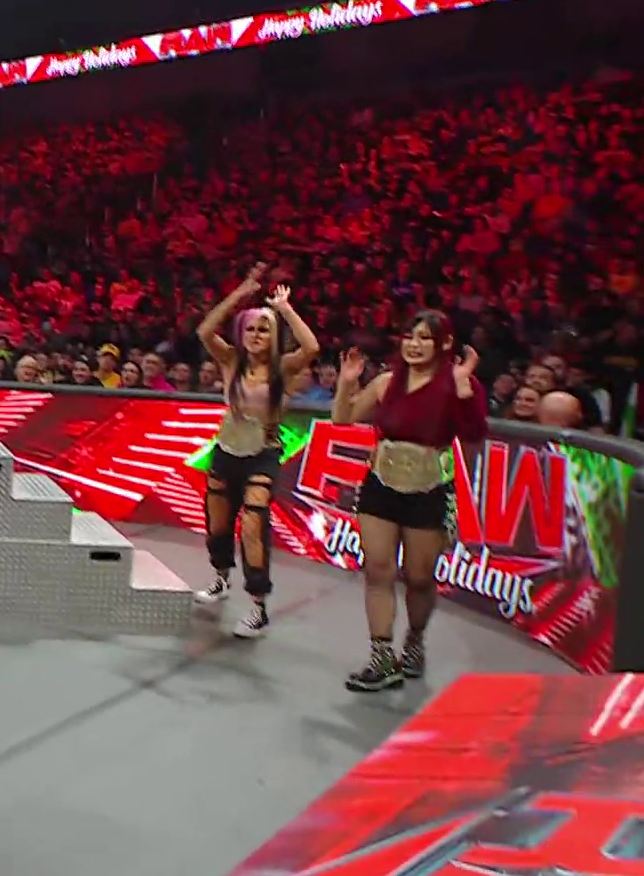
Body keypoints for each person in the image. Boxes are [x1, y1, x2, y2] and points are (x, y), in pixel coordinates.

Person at [331, 311, 487, 692]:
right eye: (410, 336)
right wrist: (347, 382)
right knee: (378, 570)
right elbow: (342, 418)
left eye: (424, 338)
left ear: (444, 344)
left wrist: (463, 388)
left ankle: (414, 641)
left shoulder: (457, 382)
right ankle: (382, 658)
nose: (414, 345)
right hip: (380, 486)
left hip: (428, 490)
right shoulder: (387, 382)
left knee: (419, 578)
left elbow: (473, 434)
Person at [191, 265, 321, 639]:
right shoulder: (231, 360)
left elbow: (312, 347)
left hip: (262, 454)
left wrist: (284, 308)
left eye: (264, 329)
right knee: (218, 523)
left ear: (274, 334)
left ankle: (258, 606)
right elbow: (204, 331)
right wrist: (240, 294)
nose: (256, 335)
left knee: (253, 522)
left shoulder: (284, 367)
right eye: (250, 328)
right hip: (226, 450)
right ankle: (220, 577)